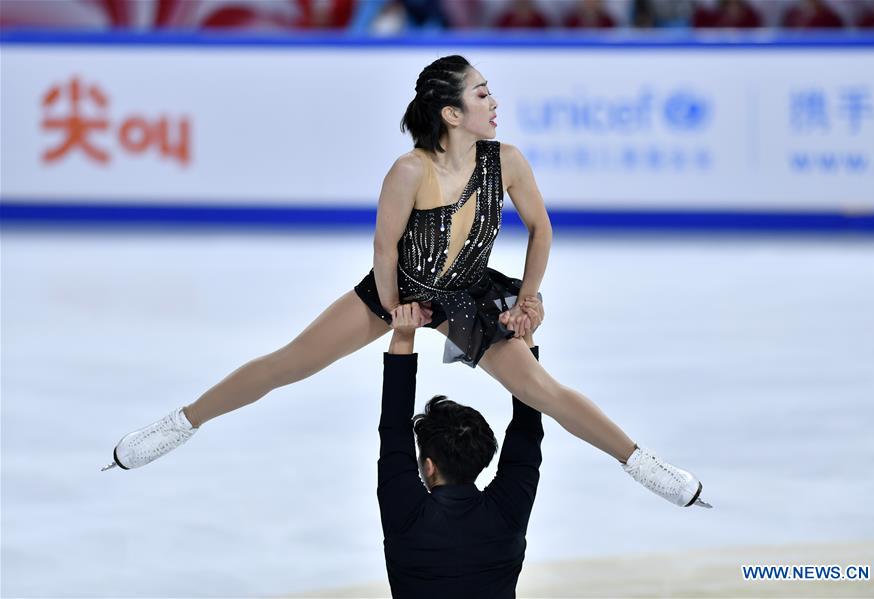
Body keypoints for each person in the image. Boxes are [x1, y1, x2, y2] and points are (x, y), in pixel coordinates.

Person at [103, 55, 711, 510]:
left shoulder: (509, 160)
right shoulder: (409, 171)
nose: (494, 103)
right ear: (452, 113)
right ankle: (182, 423)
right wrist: (396, 312)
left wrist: (528, 299)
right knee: (289, 363)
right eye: (482, 94)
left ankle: (643, 464)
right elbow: (384, 247)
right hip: (397, 290)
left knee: (541, 390)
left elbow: (541, 231)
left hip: (470, 293)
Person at [379, 301, 542, 597]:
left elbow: (393, 431)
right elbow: (527, 432)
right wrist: (523, 336)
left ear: (429, 465)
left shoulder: (408, 516)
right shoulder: (505, 513)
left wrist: (403, 335)